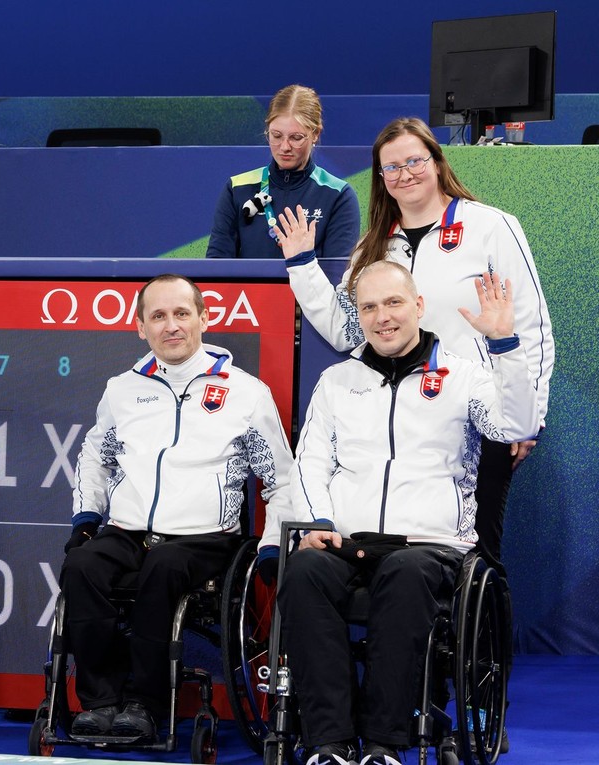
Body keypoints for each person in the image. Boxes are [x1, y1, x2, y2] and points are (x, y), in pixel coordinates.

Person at [279, 261, 537, 765]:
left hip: (430, 546)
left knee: (405, 569)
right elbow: (310, 460)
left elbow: (515, 425)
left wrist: (505, 346)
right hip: (347, 541)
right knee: (304, 569)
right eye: (369, 307)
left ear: (418, 305)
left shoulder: (463, 376)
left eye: (393, 303)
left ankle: (384, 742)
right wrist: (318, 524)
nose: (383, 317)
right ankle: (329, 742)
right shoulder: (337, 381)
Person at [276, 116, 553, 565]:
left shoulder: (492, 227)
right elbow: (349, 332)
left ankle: (487, 637)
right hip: (407, 419)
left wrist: (528, 412)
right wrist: (304, 266)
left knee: (479, 554)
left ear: (438, 162)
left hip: (479, 414)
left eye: (414, 161)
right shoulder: (374, 247)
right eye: (391, 167)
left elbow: (532, 324)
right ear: (381, 179)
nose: (405, 174)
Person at [61, 274, 293, 741]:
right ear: (141, 327)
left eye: (181, 313)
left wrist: (271, 545)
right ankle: (101, 701)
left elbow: (282, 478)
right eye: (158, 316)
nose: (171, 326)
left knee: (164, 567)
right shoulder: (121, 389)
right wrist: (88, 515)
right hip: (128, 532)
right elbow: (94, 454)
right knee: (82, 564)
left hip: (204, 539)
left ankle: (146, 704)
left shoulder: (245, 392)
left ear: (204, 318)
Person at [206, 84, 359, 260]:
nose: (285, 147)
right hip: (248, 289)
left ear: (315, 133)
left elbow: (338, 274)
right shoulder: (237, 188)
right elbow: (217, 265)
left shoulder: (338, 195)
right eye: (276, 136)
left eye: (296, 138)